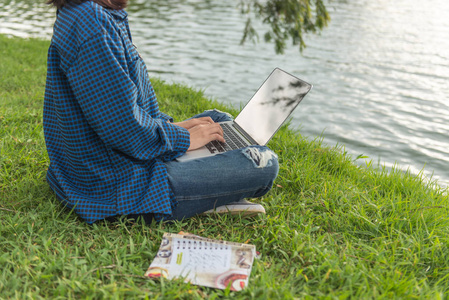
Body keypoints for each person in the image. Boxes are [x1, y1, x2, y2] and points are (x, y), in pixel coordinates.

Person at [43, 0, 279, 224]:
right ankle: (202, 199)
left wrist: (172, 129)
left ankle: (208, 182)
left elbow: (116, 109)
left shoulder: (92, 12)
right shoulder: (92, 22)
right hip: (118, 187)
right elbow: (124, 130)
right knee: (264, 163)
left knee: (218, 120)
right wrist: (184, 139)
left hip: (106, 163)